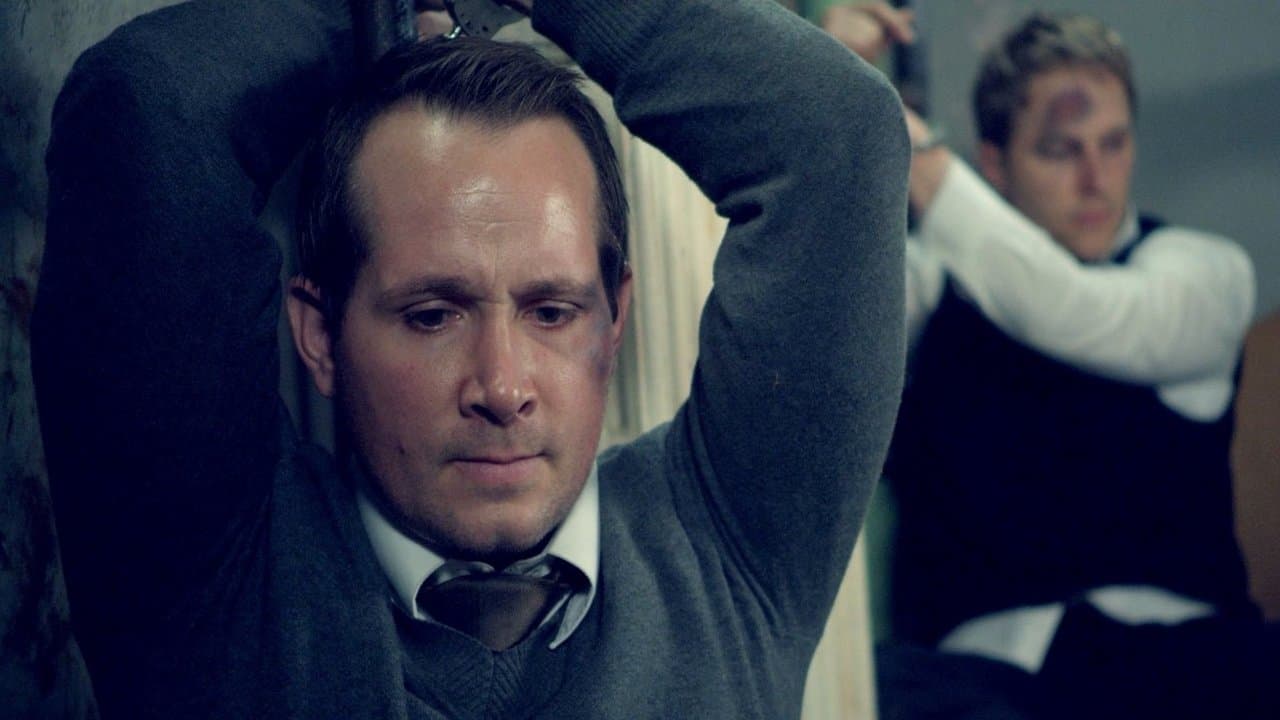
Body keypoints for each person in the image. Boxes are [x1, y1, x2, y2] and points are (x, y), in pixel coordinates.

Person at [31, 0, 908, 717]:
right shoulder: (220, 582)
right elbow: (144, 111)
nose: (502, 387)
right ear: (320, 334)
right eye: (432, 316)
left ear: (615, 318)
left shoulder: (725, 549)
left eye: (552, 312)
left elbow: (838, 132)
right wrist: (376, 11)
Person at [822, 5, 1278, 719]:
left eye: (1114, 143)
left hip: (1191, 665)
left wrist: (910, 145)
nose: (1097, 179)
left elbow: (1073, 309)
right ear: (995, 164)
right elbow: (823, 316)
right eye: (1061, 150)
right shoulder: (932, 284)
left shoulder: (1206, 275)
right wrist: (824, 91)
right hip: (979, 681)